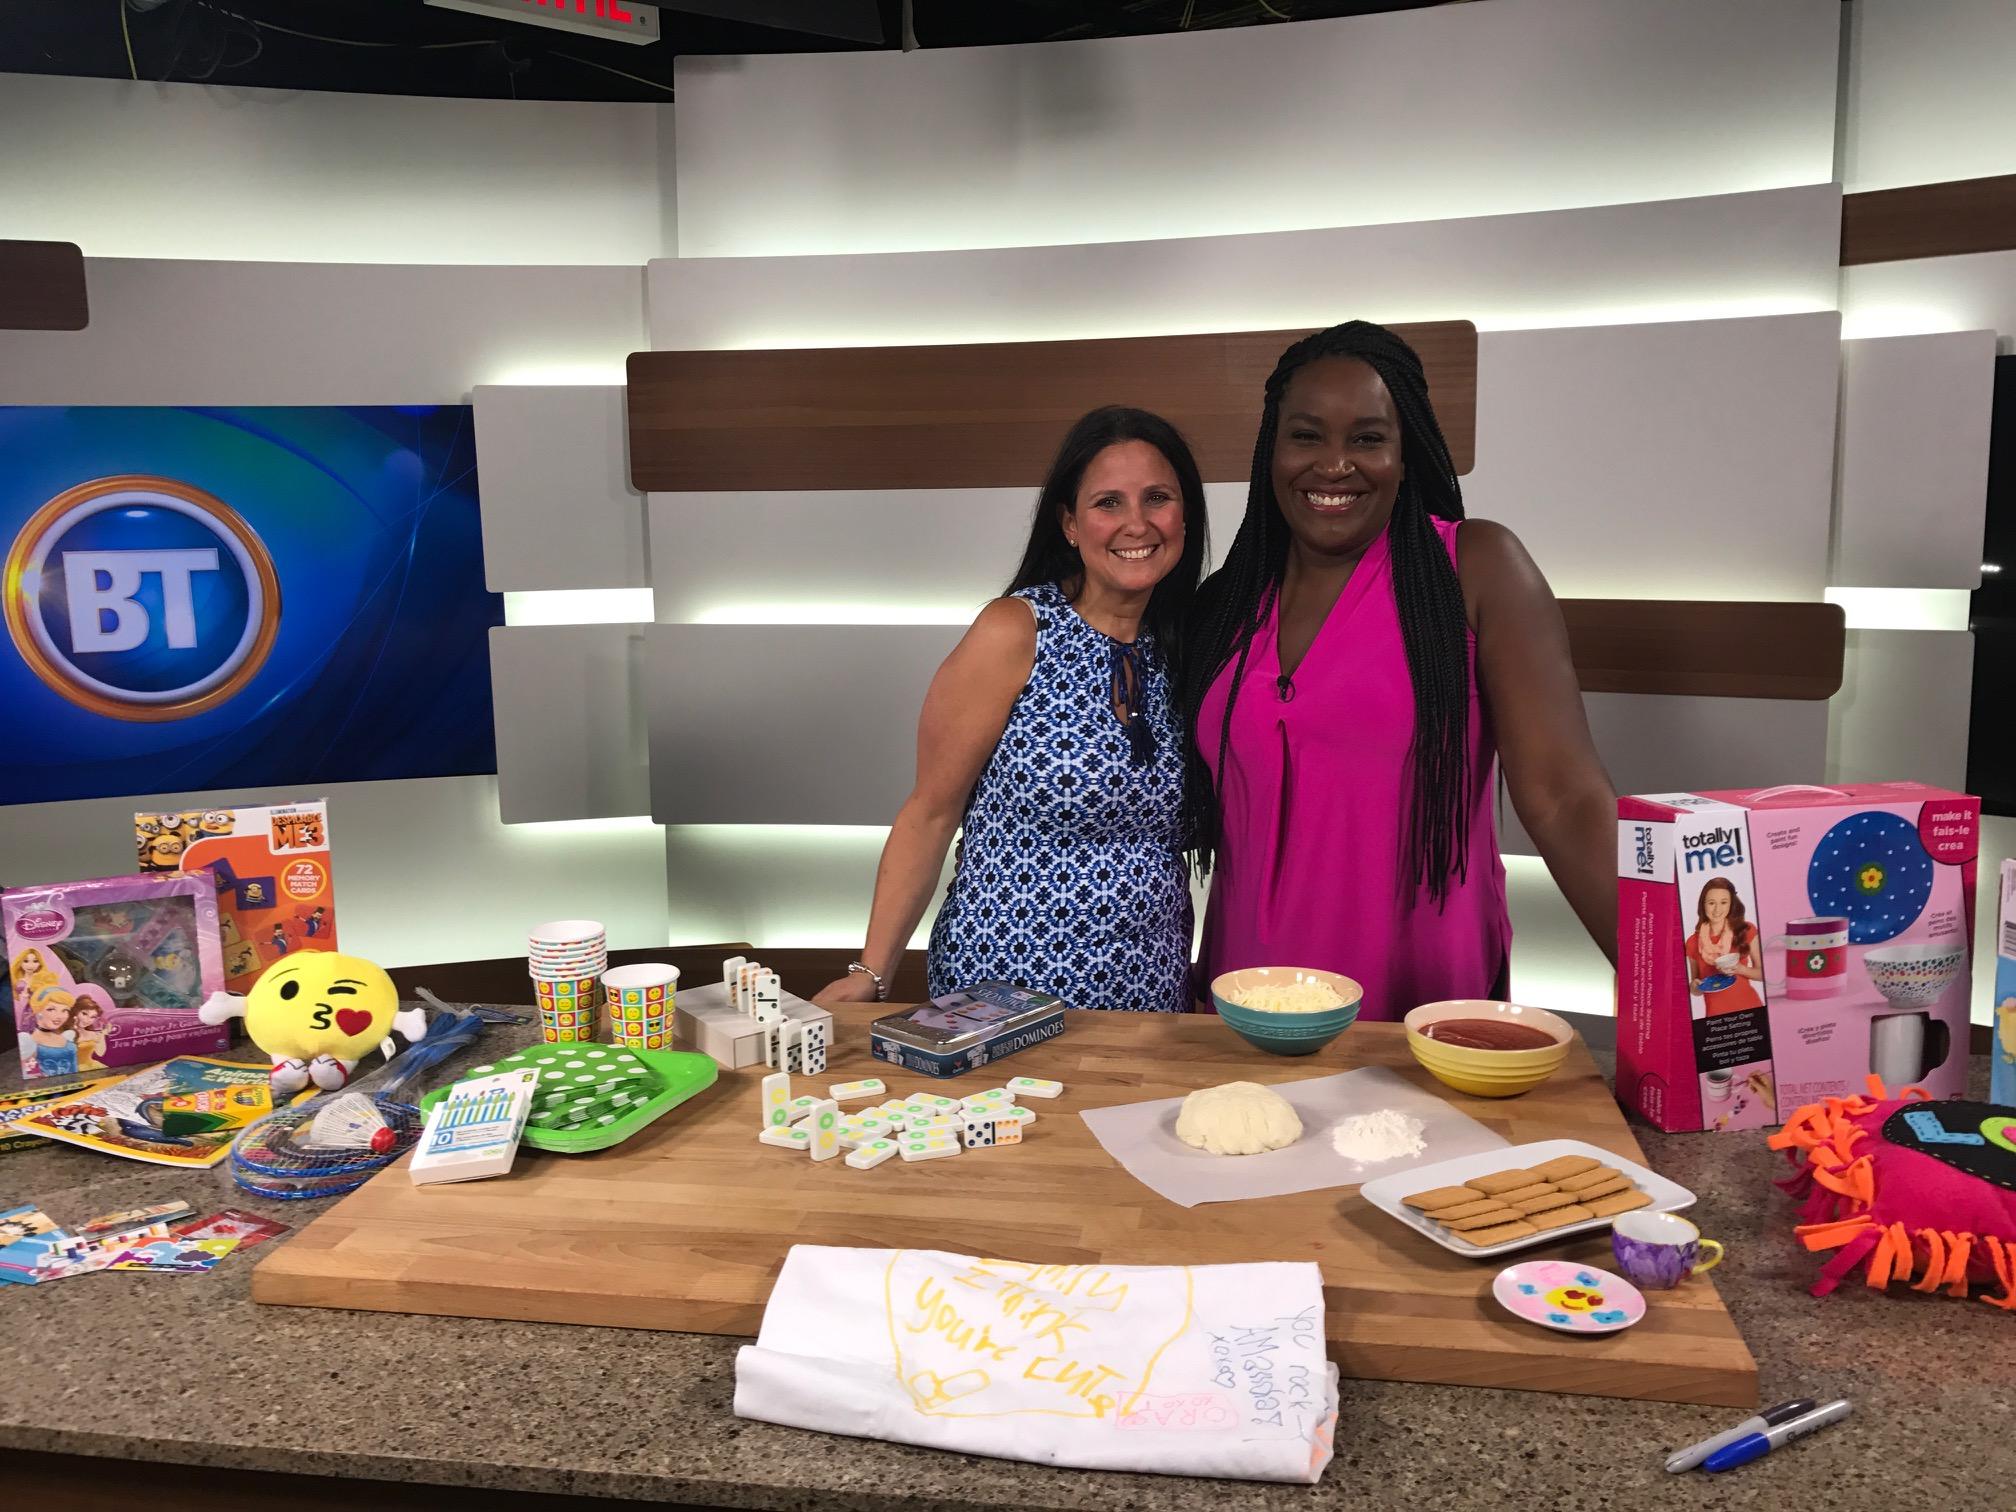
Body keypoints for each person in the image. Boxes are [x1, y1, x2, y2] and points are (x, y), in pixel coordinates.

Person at [1180, 321, 1615, 1020]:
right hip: (1247, 1012)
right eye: (1306, 436)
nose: (1334, 465)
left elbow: (1566, 799)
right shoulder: (1221, 606)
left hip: (1421, 1015)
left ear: (1406, 454)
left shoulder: (1475, 569)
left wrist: (1688, 998)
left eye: (1367, 439)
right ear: (1271, 450)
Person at [819, 407, 1208, 1013]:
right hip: (1006, 991)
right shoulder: (1016, 630)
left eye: (1157, 497)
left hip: (1149, 994)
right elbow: (930, 813)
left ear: (1185, 514)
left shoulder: (1192, 646)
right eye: (1108, 502)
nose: (1137, 523)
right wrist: (872, 970)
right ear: (1070, 524)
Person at [1685, 877, 1763, 1015]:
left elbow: (1763, 974)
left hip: (1750, 1010)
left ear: (1731, 904)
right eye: (1711, 903)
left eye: (1723, 902)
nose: (1717, 909)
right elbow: (1696, 987)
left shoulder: (1746, 930)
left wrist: (1740, 969)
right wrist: (1695, 987)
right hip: (1716, 1018)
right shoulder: (1692, 942)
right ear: (1703, 905)